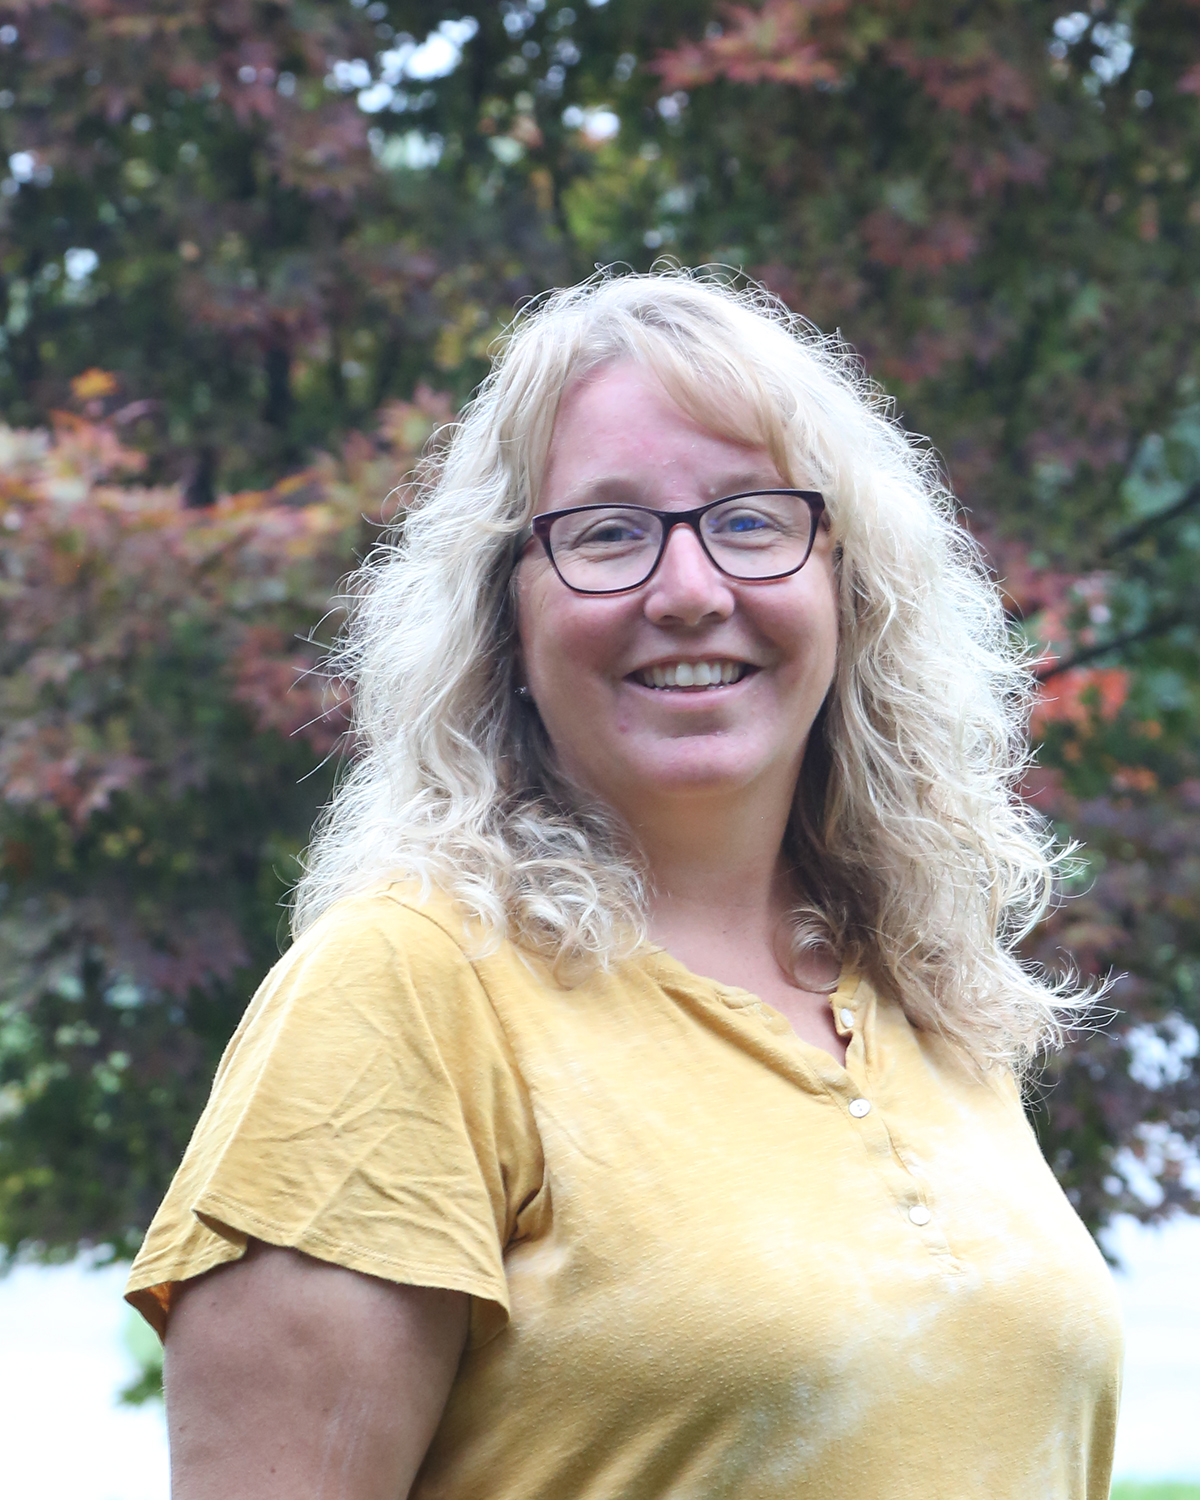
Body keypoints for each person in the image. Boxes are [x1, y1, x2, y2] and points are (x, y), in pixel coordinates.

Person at [126, 271, 1123, 1499]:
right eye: (607, 533)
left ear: (848, 592)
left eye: (753, 520)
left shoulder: (933, 996)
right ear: (509, 621)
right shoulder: (408, 988)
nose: (693, 589)